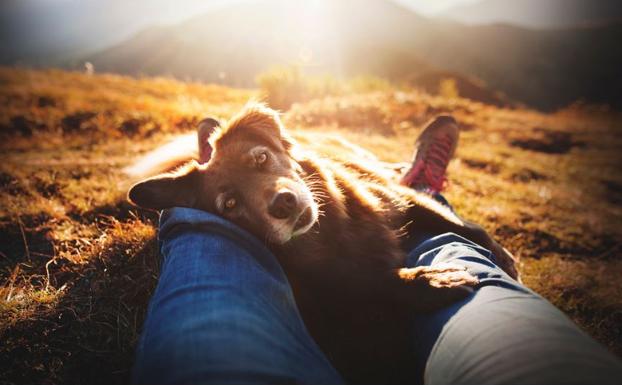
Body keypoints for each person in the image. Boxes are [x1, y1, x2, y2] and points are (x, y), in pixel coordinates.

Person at [131, 117, 622, 385]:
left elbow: (392, 211)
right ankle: (203, 188)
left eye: (263, 160)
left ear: (280, 144)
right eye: (236, 199)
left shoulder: (314, 172)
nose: (275, 198)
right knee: (201, 223)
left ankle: (425, 190)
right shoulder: (276, 263)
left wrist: (482, 235)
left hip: (364, 202)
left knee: (427, 220)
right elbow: (336, 301)